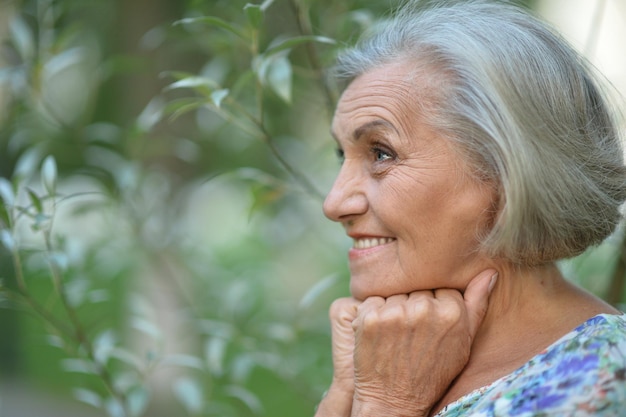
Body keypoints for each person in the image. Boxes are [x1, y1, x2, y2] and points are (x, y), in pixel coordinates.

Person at [314, 1, 626, 416]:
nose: (334, 203)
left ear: (504, 172)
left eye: (381, 154)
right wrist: (345, 393)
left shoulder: (602, 379)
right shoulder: (390, 357)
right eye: (343, 156)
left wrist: (387, 406)